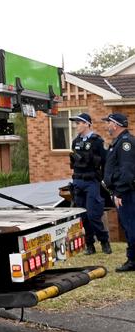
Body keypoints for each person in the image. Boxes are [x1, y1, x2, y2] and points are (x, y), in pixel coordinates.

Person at [69, 113, 111, 255]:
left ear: (87, 124)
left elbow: (106, 162)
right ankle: (89, 245)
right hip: (78, 182)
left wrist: (105, 179)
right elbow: (74, 162)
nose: (77, 126)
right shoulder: (75, 142)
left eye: (79, 123)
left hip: (92, 182)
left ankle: (104, 241)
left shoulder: (97, 141)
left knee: (93, 214)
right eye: (76, 123)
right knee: (83, 215)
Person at [102, 113, 135, 272]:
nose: (106, 125)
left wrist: (120, 192)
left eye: (108, 122)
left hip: (127, 193)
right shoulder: (118, 142)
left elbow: (127, 171)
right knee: (128, 225)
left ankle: (133, 260)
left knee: (131, 226)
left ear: (115, 125)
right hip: (123, 192)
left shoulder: (125, 143)